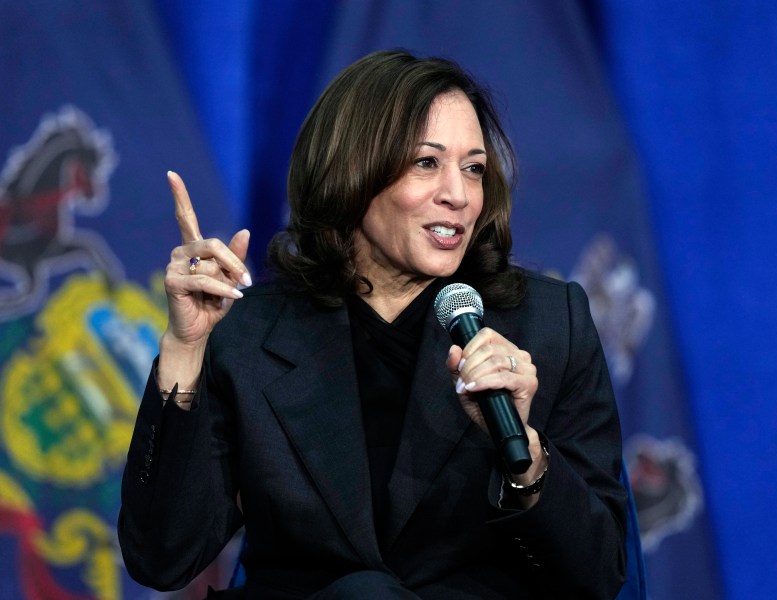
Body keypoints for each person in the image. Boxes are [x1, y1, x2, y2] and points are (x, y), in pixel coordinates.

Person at [118, 50, 628, 599]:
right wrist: (184, 349)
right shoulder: (252, 336)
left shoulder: (548, 326)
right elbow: (160, 558)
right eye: (426, 163)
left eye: (474, 168)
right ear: (351, 171)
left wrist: (524, 452)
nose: (458, 195)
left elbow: (599, 576)